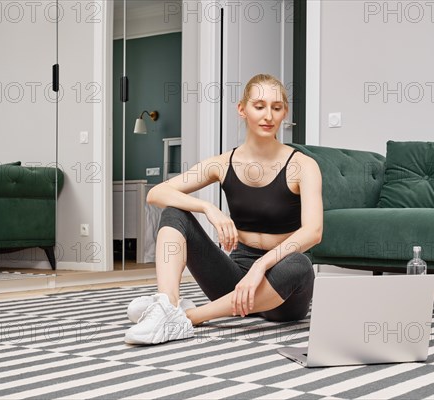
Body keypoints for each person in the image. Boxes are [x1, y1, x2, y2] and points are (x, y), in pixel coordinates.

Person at [124, 74, 323, 345]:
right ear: (242, 109)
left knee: (301, 265)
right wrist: (208, 208)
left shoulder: (303, 165)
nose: (268, 116)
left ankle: (187, 317)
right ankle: (167, 304)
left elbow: (313, 231)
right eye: (259, 106)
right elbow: (157, 194)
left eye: (276, 108)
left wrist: (261, 266)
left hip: (283, 295)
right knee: (174, 211)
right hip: (234, 281)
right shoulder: (222, 163)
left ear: (284, 112)